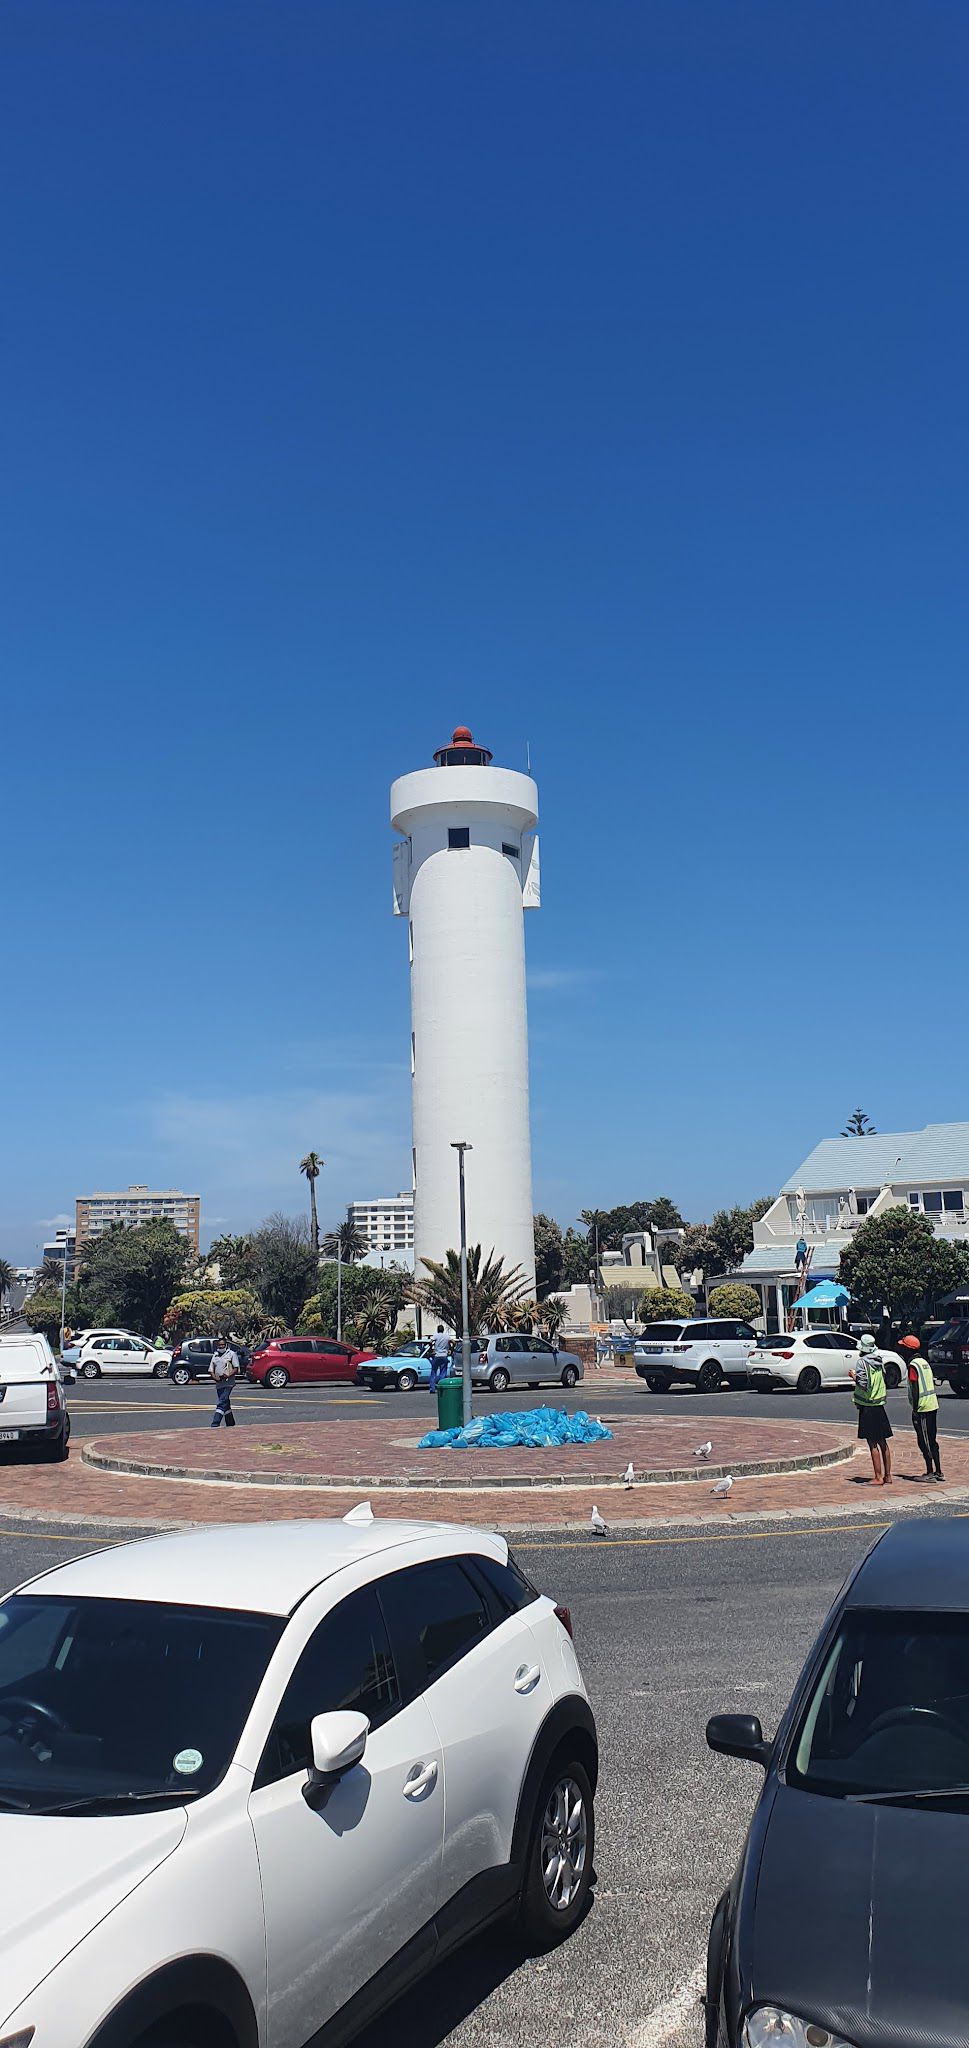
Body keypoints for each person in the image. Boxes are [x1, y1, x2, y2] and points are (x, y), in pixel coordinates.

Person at [899, 1332, 943, 1480]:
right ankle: (938, 1471)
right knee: (932, 1439)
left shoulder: (913, 1365)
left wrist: (916, 1409)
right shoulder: (924, 1362)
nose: (901, 1351)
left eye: (903, 1348)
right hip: (932, 1404)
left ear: (908, 1350)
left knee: (924, 1440)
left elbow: (916, 1387)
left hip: (923, 1407)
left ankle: (930, 1471)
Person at [850, 1333, 893, 1484]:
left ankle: (878, 1476)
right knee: (883, 1441)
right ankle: (888, 1476)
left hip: (868, 1405)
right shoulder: (879, 1360)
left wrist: (853, 1376)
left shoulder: (862, 1362)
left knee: (872, 1442)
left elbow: (862, 1383)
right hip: (879, 1404)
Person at [210, 1332, 239, 1428]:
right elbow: (211, 1369)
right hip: (219, 1384)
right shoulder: (215, 1355)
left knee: (222, 1402)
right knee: (225, 1403)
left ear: (226, 1345)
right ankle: (230, 1423)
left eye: (223, 1345)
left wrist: (227, 1375)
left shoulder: (231, 1354)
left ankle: (215, 1423)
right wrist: (215, 1377)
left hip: (228, 1383)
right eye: (219, 1345)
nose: (221, 1346)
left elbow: (236, 1368)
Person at [429, 1325, 452, 1393]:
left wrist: (432, 1349)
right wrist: (451, 1349)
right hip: (444, 1355)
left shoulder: (436, 1335)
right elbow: (453, 1342)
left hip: (437, 1355)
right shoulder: (447, 1336)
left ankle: (432, 1388)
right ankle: (442, 1387)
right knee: (443, 1372)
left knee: (433, 1372)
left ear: (437, 1330)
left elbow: (430, 1342)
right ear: (443, 1330)